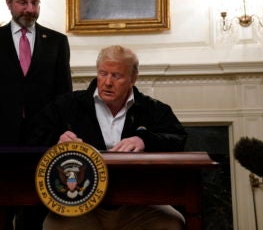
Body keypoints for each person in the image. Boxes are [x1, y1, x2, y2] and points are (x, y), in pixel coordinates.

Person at [30, 45, 187, 230]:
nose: (107, 82)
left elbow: (178, 139)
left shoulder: (153, 109)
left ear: (133, 79)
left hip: (138, 204)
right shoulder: (67, 105)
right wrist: (57, 141)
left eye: (117, 76)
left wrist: (145, 140)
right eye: (103, 73)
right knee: (53, 224)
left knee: (172, 222)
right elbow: (34, 136)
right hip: (80, 205)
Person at [0, 0, 73, 230]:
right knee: (1, 210)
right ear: (9, 2)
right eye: (23, 2)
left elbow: (64, 95)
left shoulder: (57, 41)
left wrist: (65, 132)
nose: (30, 9)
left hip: (44, 139)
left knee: (41, 210)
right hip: (0, 139)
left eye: (35, 3)